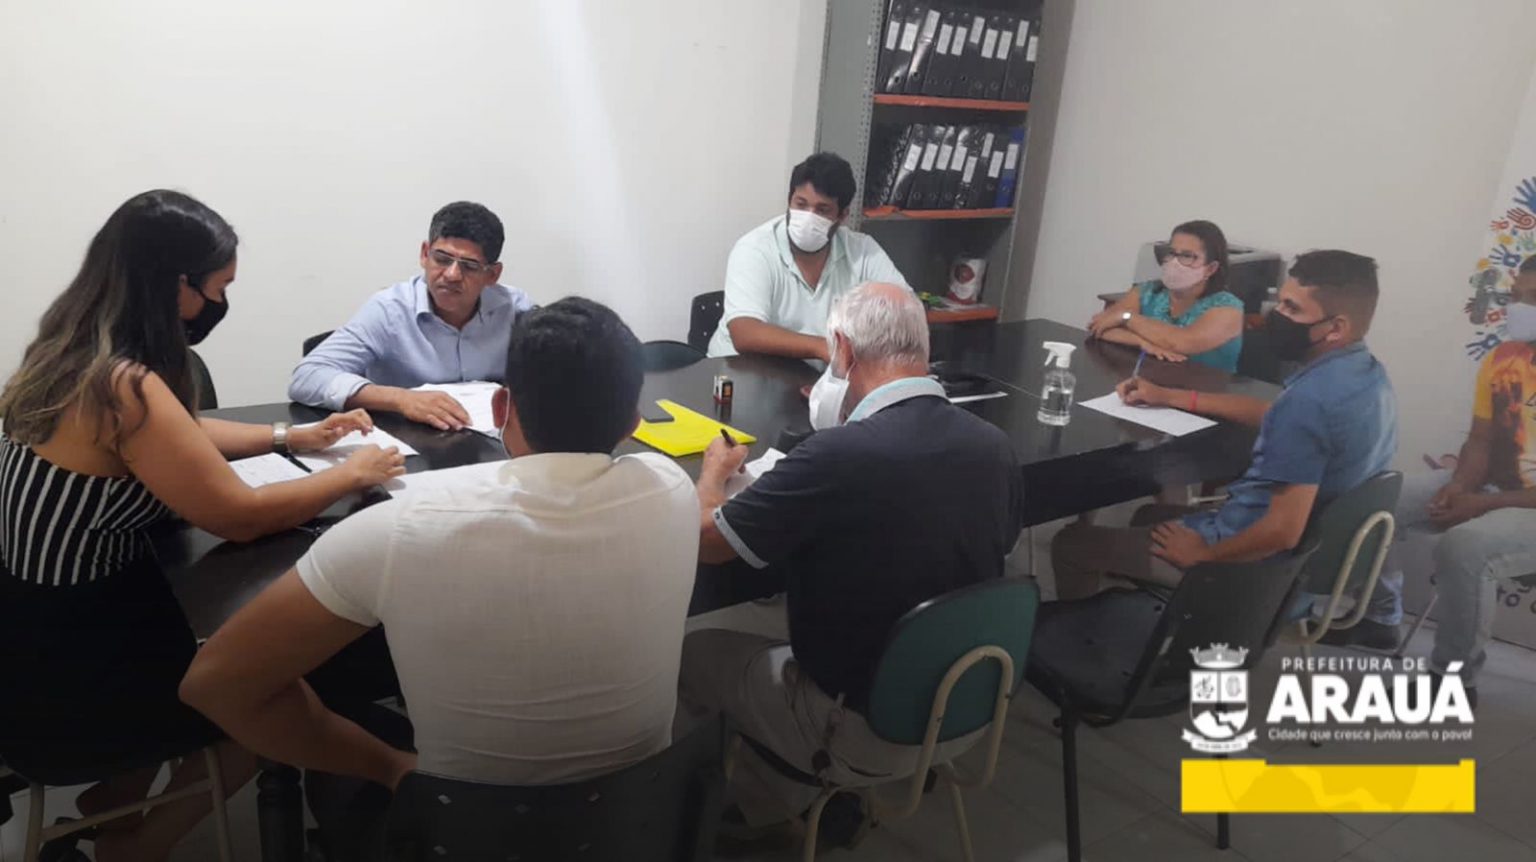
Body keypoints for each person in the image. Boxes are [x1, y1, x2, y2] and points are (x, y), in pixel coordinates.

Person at [182, 298, 700, 857]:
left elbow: (215, 683)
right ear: (632, 422)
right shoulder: (673, 488)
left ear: (500, 407)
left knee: (342, 707)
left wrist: (389, 766)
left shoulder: (399, 529)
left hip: (458, 839)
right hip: (637, 828)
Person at [0, 190, 404, 862]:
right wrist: (353, 473)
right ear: (174, 285)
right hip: (73, 667)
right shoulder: (122, 388)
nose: (220, 304)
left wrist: (291, 437)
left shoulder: (71, 349)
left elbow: (179, 433)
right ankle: (143, 844)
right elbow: (239, 518)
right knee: (257, 692)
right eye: (218, 289)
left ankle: (117, 802)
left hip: (36, 622)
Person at [681, 282, 1024, 832]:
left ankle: (740, 813)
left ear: (841, 349)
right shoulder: (995, 446)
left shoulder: (836, 455)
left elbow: (708, 541)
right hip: (967, 711)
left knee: (692, 654)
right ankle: (782, 796)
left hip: (859, 728)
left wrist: (714, 474)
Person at [1053, 250, 1397, 598]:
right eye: (1280, 302)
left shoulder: (1311, 402)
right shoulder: (1366, 376)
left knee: (1072, 544)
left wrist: (1203, 555)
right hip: (1318, 555)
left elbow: (1282, 531)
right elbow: (1276, 413)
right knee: (1147, 514)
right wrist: (1170, 397)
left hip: (1257, 569)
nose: (1276, 315)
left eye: (1292, 309)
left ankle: (1091, 625)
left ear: (1336, 328)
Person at [1337, 255, 1536, 687]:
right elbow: (1481, 439)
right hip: (1490, 485)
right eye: (1516, 296)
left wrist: (1480, 503)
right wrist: (1460, 485)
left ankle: (1453, 680)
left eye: (1533, 298)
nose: (1520, 308)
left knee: (1465, 546)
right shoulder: (1504, 358)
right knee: (1371, 501)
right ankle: (1380, 617)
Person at [288, 201, 534, 430]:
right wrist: (401, 399)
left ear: (492, 275)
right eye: (442, 259)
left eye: (469, 266)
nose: (452, 275)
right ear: (425, 254)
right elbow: (306, 377)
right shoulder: (389, 310)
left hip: (490, 444)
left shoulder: (514, 308)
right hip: (407, 445)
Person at [707, 153, 910, 360]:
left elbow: (907, 313)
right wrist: (823, 347)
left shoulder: (862, 251)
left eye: (822, 210)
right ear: (789, 201)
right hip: (735, 369)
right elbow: (745, 334)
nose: (809, 217)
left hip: (813, 373)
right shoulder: (755, 249)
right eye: (801, 204)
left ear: (842, 215)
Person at [1088, 220, 1244, 371]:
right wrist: (1142, 343)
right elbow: (1100, 327)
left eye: (1187, 256)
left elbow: (1181, 342)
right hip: (1149, 379)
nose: (1175, 263)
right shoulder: (1147, 291)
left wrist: (1126, 317)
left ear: (1211, 269)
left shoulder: (1228, 308)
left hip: (1205, 386)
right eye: (1171, 253)